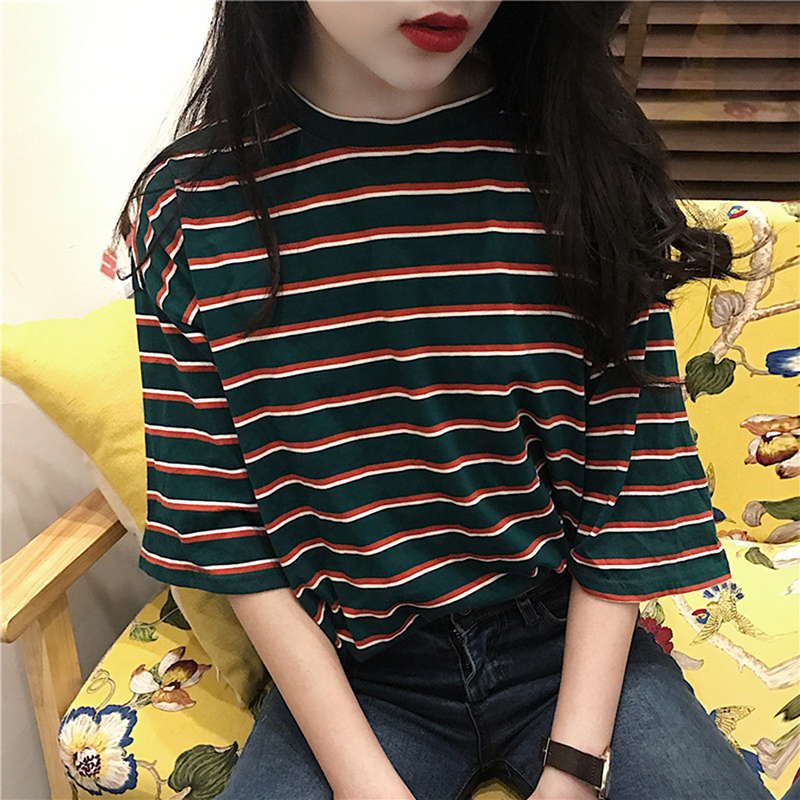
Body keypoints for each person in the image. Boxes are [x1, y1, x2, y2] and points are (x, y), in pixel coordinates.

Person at [114, 3, 798, 799]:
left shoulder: (577, 159)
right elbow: (229, 531)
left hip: (566, 644)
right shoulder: (189, 207)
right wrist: (366, 784)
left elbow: (627, 483)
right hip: (358, 671)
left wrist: (573, 770)